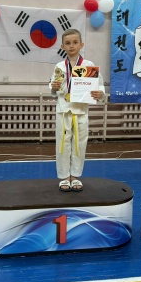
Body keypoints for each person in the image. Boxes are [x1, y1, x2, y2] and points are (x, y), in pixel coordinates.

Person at [49, 29, 105, 192]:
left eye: (75, 42)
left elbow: (100, 86)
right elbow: (53, 88)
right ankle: (64, 176)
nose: (71, 46)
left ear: (81, 44)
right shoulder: (59, 66)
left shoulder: (89, 66)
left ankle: (75, 176)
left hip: (81, 111)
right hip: (63, 111)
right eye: (67, 43)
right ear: (62, 46)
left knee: (80, 144)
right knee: (63, 144)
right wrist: (54, 87)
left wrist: (100, 94)